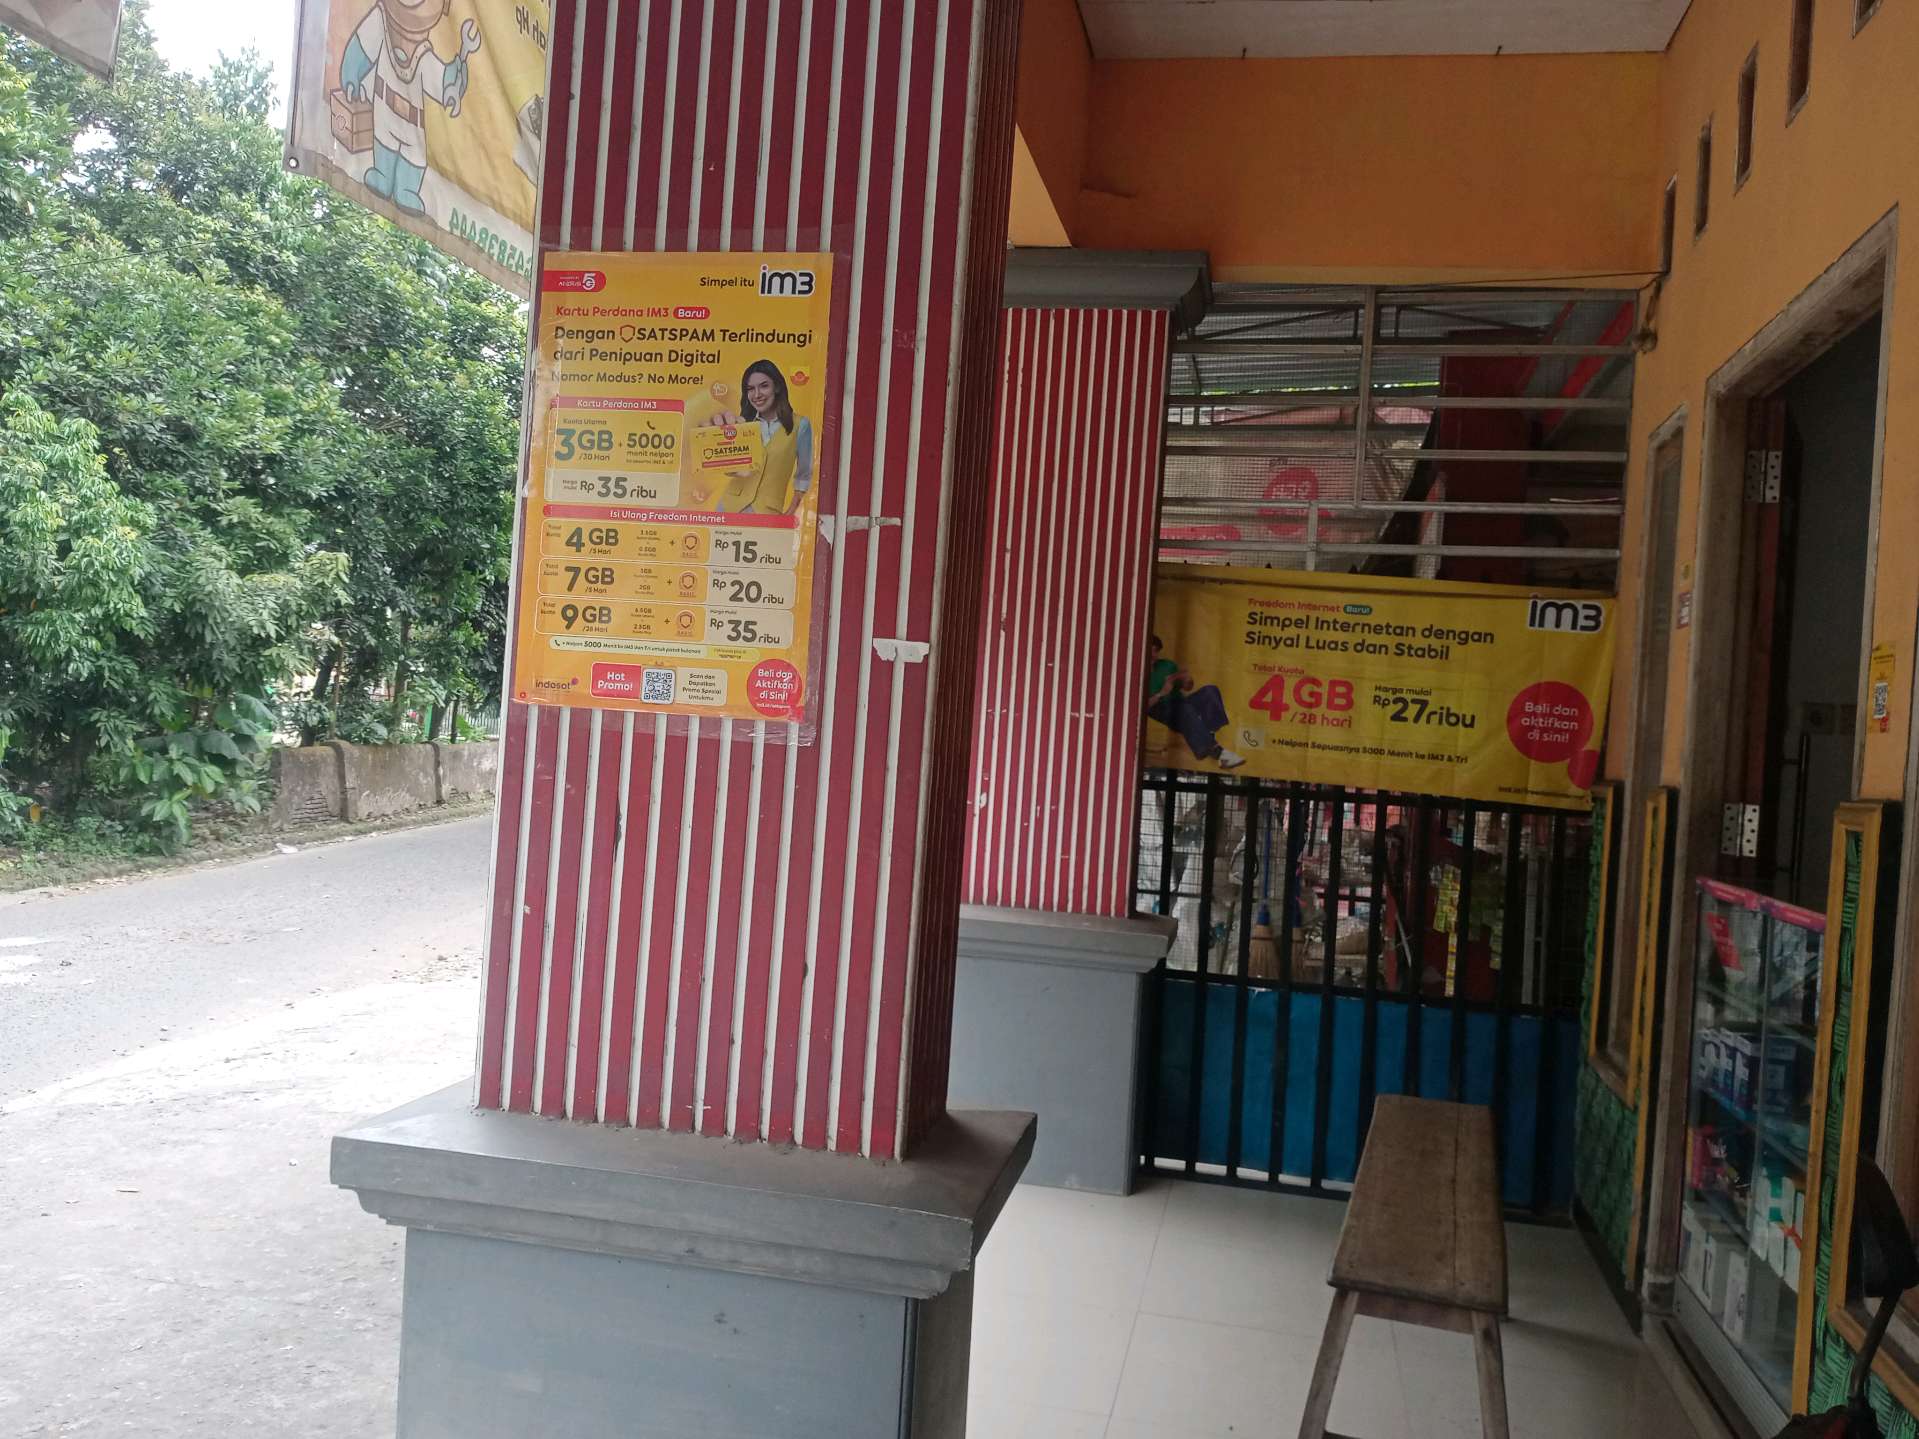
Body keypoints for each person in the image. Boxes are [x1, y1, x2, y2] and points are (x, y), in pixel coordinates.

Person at [709, 360, 814, 516]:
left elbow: (804, 474)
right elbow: (729, 467)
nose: (757, 394)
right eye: (750, 389)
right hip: (729, 506)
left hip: (767, 511)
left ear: (777, 387)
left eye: (764, 386)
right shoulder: (743, 424)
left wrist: (792, 509)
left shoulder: (801, 425)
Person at [1145, 635, 1245, 769]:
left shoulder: (1167, 665)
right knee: (1185, 709)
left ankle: (1206, 735)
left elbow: (1187, 687)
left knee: (1210, 691)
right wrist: (1161, 693)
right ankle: (1219, 753)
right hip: (1160, 708)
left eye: (1156, 651)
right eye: (1150, 651)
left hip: (1180, 701)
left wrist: (1186, 680)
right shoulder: (1136, 673)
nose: (1154, 655)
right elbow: (1142, 707)